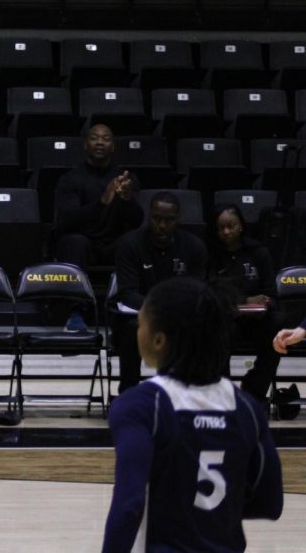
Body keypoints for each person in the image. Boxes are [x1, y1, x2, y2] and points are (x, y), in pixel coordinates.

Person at [102, 277, 283, 552]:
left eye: (140, 325)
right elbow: (271, 504)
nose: (137, 332)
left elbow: (129, 505)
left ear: (159, 340)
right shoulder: (247, 407)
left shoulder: (140, 405)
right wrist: (209, 510)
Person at [113, 191, 208, 393]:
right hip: (141, 316)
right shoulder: (129, 244)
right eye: (157, 218)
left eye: (169, 220)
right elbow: (128, 293)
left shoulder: (194, 247)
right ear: (149, 216)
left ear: (177, 220)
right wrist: (159, 312)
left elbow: (197, 291)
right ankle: (128, 391)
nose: (162, 225)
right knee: (130, 330)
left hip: (181, 317)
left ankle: (193, 392)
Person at [53, 124, 142, 332]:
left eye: (106, 138)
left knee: (132, 241)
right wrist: (102, 202)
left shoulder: (125, 179)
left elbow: (137, 221)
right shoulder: (70, 178)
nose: (100, 142)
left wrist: (128, 199)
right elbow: (67, 220)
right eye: (94, 138)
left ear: (113, 146)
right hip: (84, 242)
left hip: (113, 243)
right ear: (85, 144)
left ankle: (129, 309)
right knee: (74, 242)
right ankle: (75, 313)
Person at [205, 204, 283, 404]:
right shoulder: (210, 255)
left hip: (256, 321)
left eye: (231, 226)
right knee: (216, 326)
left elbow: (272, 295)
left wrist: (265, 304)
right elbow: (209, 294)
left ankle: (254, 390)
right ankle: (224, 393)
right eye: (221, 228)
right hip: (227, 321)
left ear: (240, 226)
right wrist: (243, 301)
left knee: (277, 322)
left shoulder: (259, 252)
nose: (226, 232)